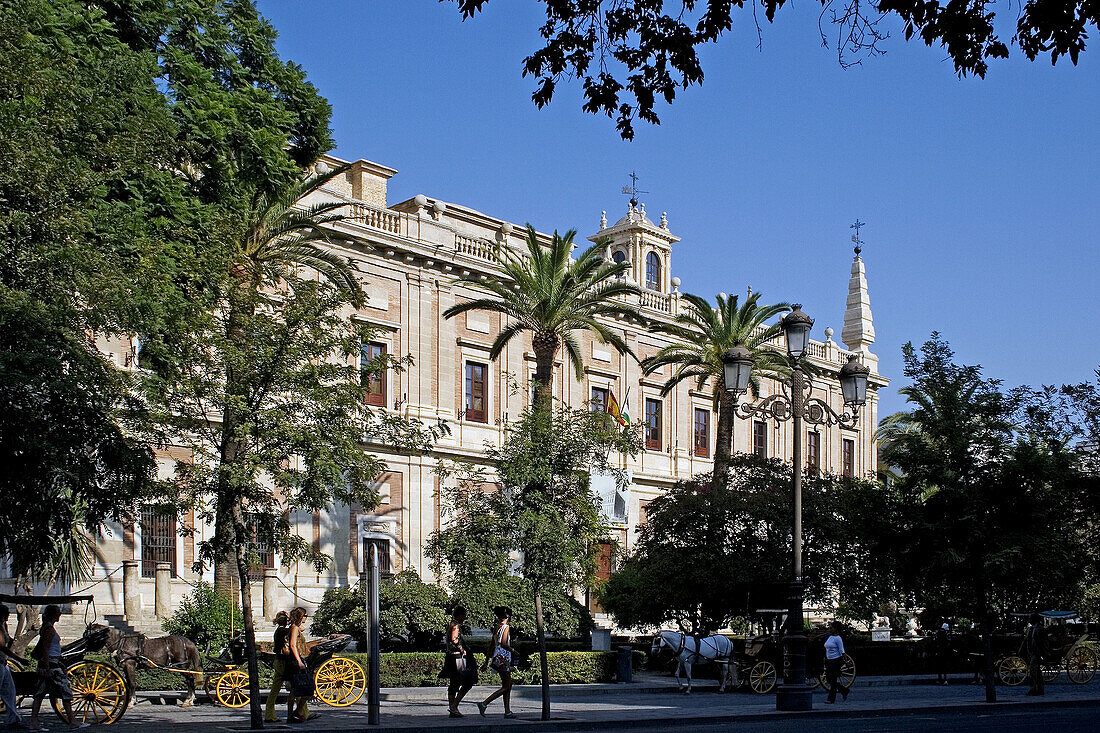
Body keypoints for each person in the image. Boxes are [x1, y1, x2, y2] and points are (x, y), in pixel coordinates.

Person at [28, 605, 85, 731]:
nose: (60, 615)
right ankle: (72, 721)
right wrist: (48, 668)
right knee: (65, 691)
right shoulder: (48, 629)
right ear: (54, 615)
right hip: (50, 666)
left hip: (48, 665)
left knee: (40, 694)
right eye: (58, 613)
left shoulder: (47, 627)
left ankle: (33, 722)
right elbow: (45, 649)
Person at [477, 607, 515, 719]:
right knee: (507, 685)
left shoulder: (496, 628)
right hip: (503, 658)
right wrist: (513, 650)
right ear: (508, 616)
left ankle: (507, 711)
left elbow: (492, 645)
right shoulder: (506, 627)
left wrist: (486, 661)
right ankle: (484, 703)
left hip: (496, 657)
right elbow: (503, 643)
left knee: (507, 685)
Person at [439, 606, 475, 718]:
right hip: (457, 658)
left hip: (451, 657)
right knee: (467, 681)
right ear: (460, 615)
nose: (464, 618)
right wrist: (461, 648)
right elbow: (454, 639)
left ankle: (453, 709)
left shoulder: (451, 623)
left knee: (454, 683)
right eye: (464, 615)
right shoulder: (456, 625)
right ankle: (454, 705)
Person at [286, 607, 318, 723]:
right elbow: (293, 645)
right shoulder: (294, 628)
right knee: (306, 689)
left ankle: (293, 714)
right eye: (305, 616)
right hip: (296, 662)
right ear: (300, 617)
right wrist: (299, 661)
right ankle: (295, 712)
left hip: (295, 661)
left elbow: (301, 629)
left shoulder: (295, 627)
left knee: (295, 690)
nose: (306, 618)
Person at [1, 604, 29, 729]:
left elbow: (7, 640)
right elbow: (1, 646)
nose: (8, 617)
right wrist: (19, 659)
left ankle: (13, 720)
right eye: (6, 615)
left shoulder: (3, 626)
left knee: (10, 692)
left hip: (3, 663)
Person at [264, 611, 290, 723]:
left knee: (274, 690)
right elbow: (296, 629)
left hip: (279, 661)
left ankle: (269, 714)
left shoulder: (278, 630)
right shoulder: (283, 631)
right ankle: (303, 712)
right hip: (283, 662)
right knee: (295, 687)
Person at [823, 621, 849, 704]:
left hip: (835, 660)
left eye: (831, 628)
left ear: (836, 629)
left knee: (833, 680)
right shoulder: (830, 637)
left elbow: (842, 650)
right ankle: (844, 690)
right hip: (829, 660)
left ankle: (831, 699)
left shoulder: (838, 638)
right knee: (829, 679)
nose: (830, 629)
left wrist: (845, 661)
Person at [1026, 613, 1047, 696]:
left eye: (1030, 618)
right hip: (1032, 652)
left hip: (1038, 653)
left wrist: (1044, 654)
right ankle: (1039, 689)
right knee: (1037, 672)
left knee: (1033, 671)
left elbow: (1045, 643)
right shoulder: (1031, 629)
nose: (1029, 620)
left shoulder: (1041, 629)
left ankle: (1034, 688)